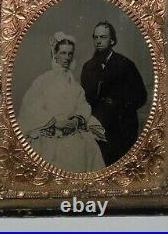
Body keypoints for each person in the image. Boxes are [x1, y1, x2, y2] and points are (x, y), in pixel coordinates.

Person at [18, 32, 105, 173]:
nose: (67, 58)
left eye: (70, 54)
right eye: (63, 53)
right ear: (55, 54)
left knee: (86, 147)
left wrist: (76, 121)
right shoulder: (43, 81)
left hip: (71, 131)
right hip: (48, 132)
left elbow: (83, 106)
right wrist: (54, 121)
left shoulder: (75, 85)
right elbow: (30, 108)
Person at [81, 21, 147, 166]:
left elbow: (141, 96)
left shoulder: (126, 65)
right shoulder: (88, 67)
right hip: (96, 130)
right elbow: (84, 99)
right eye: (96, 37)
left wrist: (116, 106)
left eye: (103, 37)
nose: (98, 41)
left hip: (121, 129)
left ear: (112, 40)